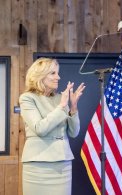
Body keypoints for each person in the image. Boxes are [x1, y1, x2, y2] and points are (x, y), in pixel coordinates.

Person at [19, 57, 85, 195]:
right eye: (53, 73)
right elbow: (40, 128)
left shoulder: (60, 99)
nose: (58, 77)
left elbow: (74, 132)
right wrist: (62, 106)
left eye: (58, 73)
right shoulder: (27, 98)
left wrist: (73, 107)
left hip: (63, 165)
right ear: (40, 76)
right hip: (38, 166)